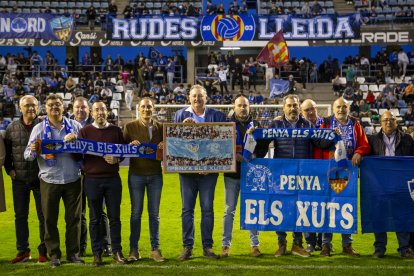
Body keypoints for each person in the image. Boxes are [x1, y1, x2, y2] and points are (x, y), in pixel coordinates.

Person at [255, 94, 322, 258]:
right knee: (281, 208)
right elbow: (264, 146)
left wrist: (334, 137)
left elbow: (319, 143)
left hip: (301, 174)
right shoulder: (276, 123)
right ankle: (282, 244)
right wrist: (254, 140)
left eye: (295, 105)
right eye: (289, 105)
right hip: (281, 173)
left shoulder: (307, 124)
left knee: (299, 209)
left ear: (299, 107)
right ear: (284, 108)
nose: (292, 108)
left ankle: (297, 245)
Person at [24, 94, 83, 267]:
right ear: (46, 109)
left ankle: (73, 254)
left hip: (73, 178)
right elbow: (27, 156)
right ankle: (54, 255)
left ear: (63, 107)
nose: (54, 107)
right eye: (51, 105)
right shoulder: (39, 129)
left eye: (58, 104)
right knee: (50, 220)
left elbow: (86, 149)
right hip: (49, 180)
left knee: (74, 219)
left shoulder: (76, 126)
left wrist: (77, 141)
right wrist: (34, 150)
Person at [174, 85, 226, 260]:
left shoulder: (217, 116)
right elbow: (174, 143)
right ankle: (187, 247)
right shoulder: (180, 115)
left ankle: (207, 247)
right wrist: (181, 129)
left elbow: (223, 143)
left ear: (206, 98)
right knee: (187, 210)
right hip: (187, 173)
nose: (197, 99)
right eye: (194, 96)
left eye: (200, 96)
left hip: (208, 173)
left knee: (207, 209)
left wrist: (210, 166)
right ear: (189, 98)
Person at [319, 97, 371, 257]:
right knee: (327, 207)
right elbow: (319, 142)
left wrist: (358, 152)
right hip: (328, 170)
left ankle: (347, 245)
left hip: (349, 172)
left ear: (349, 109)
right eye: (338, 107)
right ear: (333, 109)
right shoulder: (326, 123)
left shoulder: (355, 124)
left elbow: (365, 144)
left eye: (344, 107)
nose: (341, 110)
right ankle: (325, 245)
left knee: (347, 207)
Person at [76, 101, 126, 266]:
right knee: (95, 219)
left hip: (112, 179)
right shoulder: (84, 131)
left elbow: (123, 152)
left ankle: (117, 251)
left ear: (107, 112)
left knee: (115, 218)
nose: (100, 112)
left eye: (103, 109)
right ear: (91, 113)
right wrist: (71, 142)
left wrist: (117, 158)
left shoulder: (116, 130)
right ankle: (97, 253)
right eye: (96, 110)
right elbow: (77, 157)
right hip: (92, 180)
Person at [221, 95, 267, 258]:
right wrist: (234, 156)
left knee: (252, 209)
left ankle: (255, 245)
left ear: (249, 107)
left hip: (251, 175)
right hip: (232, 175)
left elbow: (264, 147)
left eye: (245, 105)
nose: (242, 108)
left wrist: (254, 155)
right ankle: (225, 245)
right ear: (234, 107)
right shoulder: (226, 125)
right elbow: (220, 148)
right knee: (229, 210)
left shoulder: (257, 125)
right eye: (239, 105)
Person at [4, 95, 47, 263]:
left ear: (38, 107)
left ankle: (44, 251)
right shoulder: (11, 128)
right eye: (27, 106)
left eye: (34, 106)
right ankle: (23, 251)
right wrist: (10, 170)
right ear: (20, 108)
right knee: (20, 216)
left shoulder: (45, 126)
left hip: (40, 178)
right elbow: (6, 154)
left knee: (44, 216)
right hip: (19, 180)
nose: (31, 108)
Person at [124, 97, 165, 262]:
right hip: (136, 175)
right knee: (136, 213)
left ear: (153, 109)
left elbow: (170, 148)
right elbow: (122, 150)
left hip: (155, 175)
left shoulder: (161, 128)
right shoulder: (129, 127)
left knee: (154, 214)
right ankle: (134, 250)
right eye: (143, 107)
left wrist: (164, 145)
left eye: (149, 107)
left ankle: (155, 249)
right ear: (138, 109)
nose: (146, 109)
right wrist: (130, 146)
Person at [368, 111, 414, 259]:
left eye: (391, 120)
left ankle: (405, 248)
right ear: (380, 123)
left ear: (396, 122)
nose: (388, 122)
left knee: (402, 216)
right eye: (385, 120)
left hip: (400, 185)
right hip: (380, 186)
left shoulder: (407, 139)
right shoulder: (373, 140)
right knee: (379, 217)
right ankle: (380, 248)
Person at [71, 97, 112, 257]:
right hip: (74, 175)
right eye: (77, 107)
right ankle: (80, 247)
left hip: (93, 175)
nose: (80, 110)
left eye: (83, 108)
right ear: (72, 109)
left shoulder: (93, 127)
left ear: (89, 110)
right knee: (79, 213)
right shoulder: (68, 126)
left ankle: (105, 245)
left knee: (99, 212)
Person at [300, 99, 323, 252]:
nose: (310, 112)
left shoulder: (326, 124)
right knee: (306, 207)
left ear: (317, 109)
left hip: (323, 170)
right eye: (306, 110)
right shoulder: (300, 126)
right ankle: (309, 241)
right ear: (302, 112)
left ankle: (323, 242)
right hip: (305, 172)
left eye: (312, 109)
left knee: (323, 206)